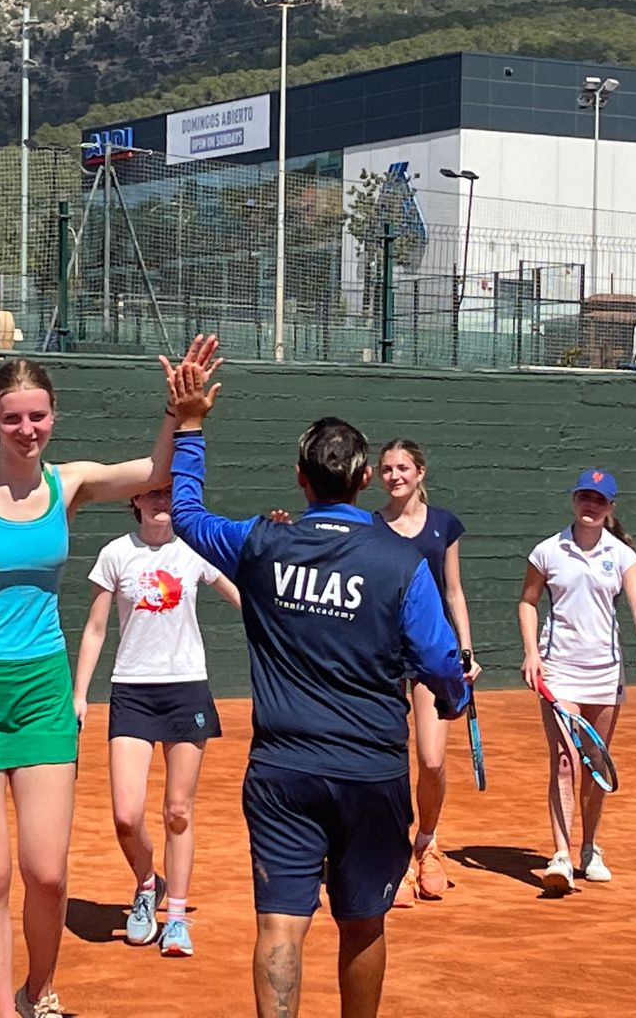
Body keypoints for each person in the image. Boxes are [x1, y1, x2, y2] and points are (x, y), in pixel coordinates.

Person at [0, 339, 220, 1018]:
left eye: (38, 416)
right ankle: (5, 1011)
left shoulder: (70, 484)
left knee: (47, 874)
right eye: (12, 418)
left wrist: (180, 412)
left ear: (54, 415)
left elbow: (156, 468)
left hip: (44, 693)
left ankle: (38, 989)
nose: (26, 430)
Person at [163, 358, 469, 1018]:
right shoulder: (401, 562)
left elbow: (184, 514)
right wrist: (454, 696)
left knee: (280, 927)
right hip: (371, 775)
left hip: (282, 773)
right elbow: (441, 660)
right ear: (365, 480)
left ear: (301, 479)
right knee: (363, 923)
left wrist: (190, 427)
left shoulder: (262, 542)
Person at [73, 485, 240, 958]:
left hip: (187, 688)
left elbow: (239, 595)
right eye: (152, 495)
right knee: (126, 816)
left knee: (178, 811)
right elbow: (95, 628)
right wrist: (80, 694)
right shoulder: (115, 554)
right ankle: (148, 883)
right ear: (136, 503)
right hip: (132, 692)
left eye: (168, 494)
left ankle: (178, 918)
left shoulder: (194, 549)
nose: (161, 502)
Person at [518, 468, 636, 895]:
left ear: (610, 507)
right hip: (559, 671)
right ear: (574, 501)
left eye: (599, 499)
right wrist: (531, 653)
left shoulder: (622, 556)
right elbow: (528, 602)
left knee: (595, 765)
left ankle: (589, 847)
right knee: (563, 762)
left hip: (604, 673)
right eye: (584, 497)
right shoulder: (547, 551)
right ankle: (560, 855)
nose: (590, 506)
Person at [374, 438, 480, 907]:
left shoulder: (443, 526)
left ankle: (427, 844)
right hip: (378, 658)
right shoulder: (371, 527)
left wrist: (466, 650)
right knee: (386, 762)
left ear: (420, 472)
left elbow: (453, 592)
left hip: (431, 656)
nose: (394, 476)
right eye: (386, 469)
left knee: (432, 760)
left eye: (402, 468)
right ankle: (392, 858)